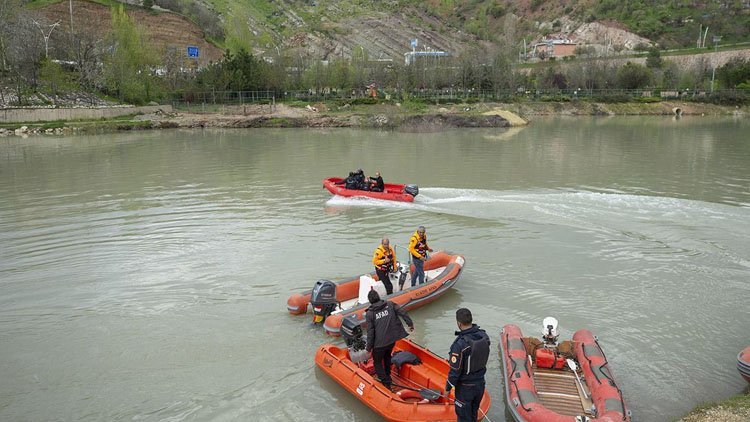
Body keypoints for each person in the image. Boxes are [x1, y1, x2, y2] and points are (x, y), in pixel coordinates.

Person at [445, 308, 490, 422]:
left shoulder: (459, 344)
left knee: (463, 418)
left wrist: (447, 388)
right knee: (473, 415)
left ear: (459, 323)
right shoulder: (484, 336)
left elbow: (455, 372)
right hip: (480, 384)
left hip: (465, 388)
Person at [365, 290, 414, 389]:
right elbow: (402, 312)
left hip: (379, 344)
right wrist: (410, 324)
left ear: (370, 301)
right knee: (387, 357)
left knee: (377, 363)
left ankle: (386, 383)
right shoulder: (390, 304)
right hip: (391, 340)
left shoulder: (370, 314)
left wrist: (368, 348)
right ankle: (388, 376)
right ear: (378, 296)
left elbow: (371, 332)